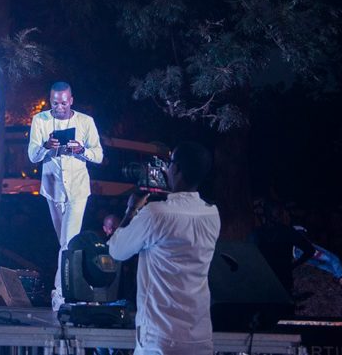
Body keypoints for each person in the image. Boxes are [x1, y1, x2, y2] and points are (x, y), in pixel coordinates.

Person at [108, 142, 221, 355]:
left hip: (160, 337)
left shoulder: (156, 214)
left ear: (176, 169)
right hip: (200, 336)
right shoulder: (212, 215)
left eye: (169, 164)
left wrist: (131, 211)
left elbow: (116, 250)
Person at [27, 81, 103, 311]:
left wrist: (82, 150)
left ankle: (60, 293)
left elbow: (98, 155)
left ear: (71, 100)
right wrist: (46, 147)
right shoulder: (40, 120)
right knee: (64, 242)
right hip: (53, 189)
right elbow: (32, 156)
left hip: (78, 190)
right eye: (54, 102)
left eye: (63, 102)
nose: (59, 107)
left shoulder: (85, 122)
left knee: (69, 242)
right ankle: (75, 288)